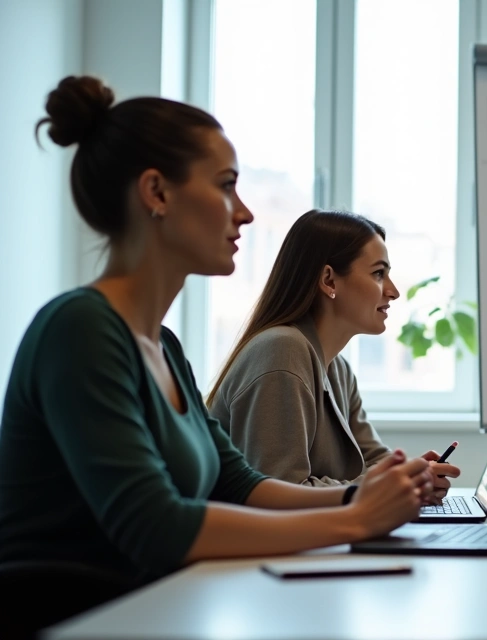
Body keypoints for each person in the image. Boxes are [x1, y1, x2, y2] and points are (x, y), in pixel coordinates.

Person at [0, 76, 435, 592]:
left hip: (157, 607)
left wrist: (359, 498)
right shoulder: (79, 330)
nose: (245, 211)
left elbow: (240, 484)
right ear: (157, 192)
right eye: (226, 185)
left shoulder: (164, 346)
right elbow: (156, 527)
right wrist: (354, 520)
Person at [207, 209, 460, 501]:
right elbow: (280, 494)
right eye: (379, 274)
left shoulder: (337, 368)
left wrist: (411, 478)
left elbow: (375, 462)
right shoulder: (282, 351)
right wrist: (386, 487)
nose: (393, 292)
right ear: (329, 280)